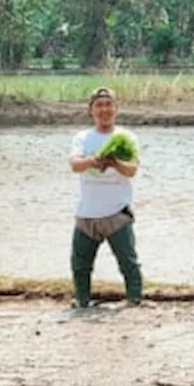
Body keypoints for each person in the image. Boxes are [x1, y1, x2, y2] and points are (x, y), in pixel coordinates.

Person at [68, 87, 142, 308]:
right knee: (80, 264)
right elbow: (75, 165)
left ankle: (134, 300)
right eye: (99, 105)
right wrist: (94, 161)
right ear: (91, 110)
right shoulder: (82, 138)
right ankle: (82, 301)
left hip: (117, 212)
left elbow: (131, 170)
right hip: (86, 212)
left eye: (109, 104)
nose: (104, 110)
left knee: (128, 261)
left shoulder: (126, 137)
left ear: (116, 109)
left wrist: (113, 162)